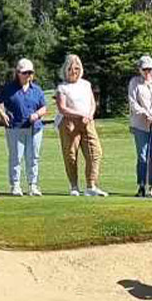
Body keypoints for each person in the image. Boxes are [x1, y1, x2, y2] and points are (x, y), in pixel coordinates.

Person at [0, 58, 47, 197]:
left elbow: (44, 108)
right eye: (25, 72)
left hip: (35, 128)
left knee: (33, 157)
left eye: (30, 72)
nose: (28, 75)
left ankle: (33, 185)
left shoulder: (37, 90)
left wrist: (37, 114)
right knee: (16, 157)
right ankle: (15, 185)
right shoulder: (8, 88)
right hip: (14, 127)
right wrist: (2, 115)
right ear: (18, 73)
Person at [54, 54, 108, 197]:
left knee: (95, 152)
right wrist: (79, 115)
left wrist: (89, 115)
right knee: (71, 154)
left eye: (77, 68)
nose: (74, 71)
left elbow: (92, 103)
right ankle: (74, 186)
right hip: (69, 123)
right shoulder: (62, 87)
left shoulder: (86, 84)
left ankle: (91, 185)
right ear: (65, 70)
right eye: (70, 69)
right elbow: (62, 108)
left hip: (87, 121)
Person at [128, 55, 152, 197]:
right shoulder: (134, 83)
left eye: (149, 69)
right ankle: (141, 185)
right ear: (139, 69)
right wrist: (145, 114)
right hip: (140, 124)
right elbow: (133, 103)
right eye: (144, 69)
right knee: (142, 156)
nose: (147, 72)